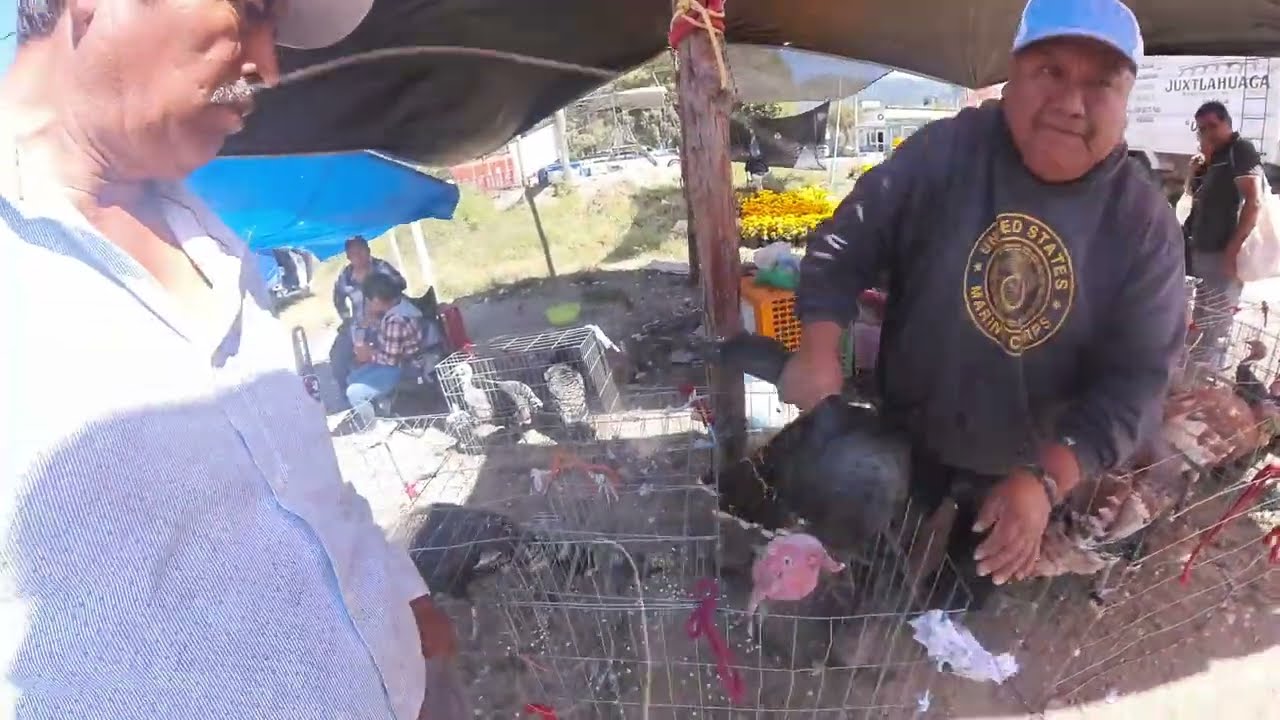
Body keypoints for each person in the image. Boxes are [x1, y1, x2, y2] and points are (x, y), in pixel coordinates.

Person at [1, 1, 453, 718]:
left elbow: (300, 476)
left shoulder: (215, 242)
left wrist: (399, 593)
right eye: (249, 10)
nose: (268, 69)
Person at [782, 0, 1186, 596]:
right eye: (1050, 71)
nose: (1072, 103)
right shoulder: (948, 151)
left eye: (1101, 84)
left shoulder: (1143, 222)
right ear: (1012, 75)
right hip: (911, 426)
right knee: (871, 553)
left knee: (964, 590)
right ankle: (869, 599)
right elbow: (847, 238)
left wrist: (1048, 480)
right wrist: (818, 342)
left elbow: (1138, 381)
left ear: (1125, 101)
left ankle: (944, 614)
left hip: (1027, 461)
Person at [1185, 101, 1263, 369]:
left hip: (1223, 252)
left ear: (1227, 124)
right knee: (1201, 317)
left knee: (1217, 322)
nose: (1208, 133)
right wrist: (1201, 166)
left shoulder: (1239, 150)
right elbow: (1194, 197)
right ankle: (1195, 374)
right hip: (1204, 250)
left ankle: (1211, 376)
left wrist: (1233, 250)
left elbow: (1254, 201)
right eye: (1202, 128)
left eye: (1213, 126)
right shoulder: (1213, 156)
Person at [330, 234, 408, 394]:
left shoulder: (381, 267)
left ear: (368, 250)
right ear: (348, 257)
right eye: (353, 254)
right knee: (338, 355)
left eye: (361, 251)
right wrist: (347, 320)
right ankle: (348, 396)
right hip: (358, 324)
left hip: (385, 321)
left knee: (384, 356)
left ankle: (385, 390)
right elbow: (338, 300)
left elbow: (401, 284)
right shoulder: (345, 276)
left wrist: (382, 291)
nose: (358, 256)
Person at [347, 273, 426, 428]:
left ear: (376, 300)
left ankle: (373, 427)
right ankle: (384, 408)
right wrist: (375, 323)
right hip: (402, 360)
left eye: (369, 301)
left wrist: (369, 355)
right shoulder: (401, 306)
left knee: (354, 392)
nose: (368, 305)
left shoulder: (395, 321)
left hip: (404, 368)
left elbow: (390, 361)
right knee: (353, 377)